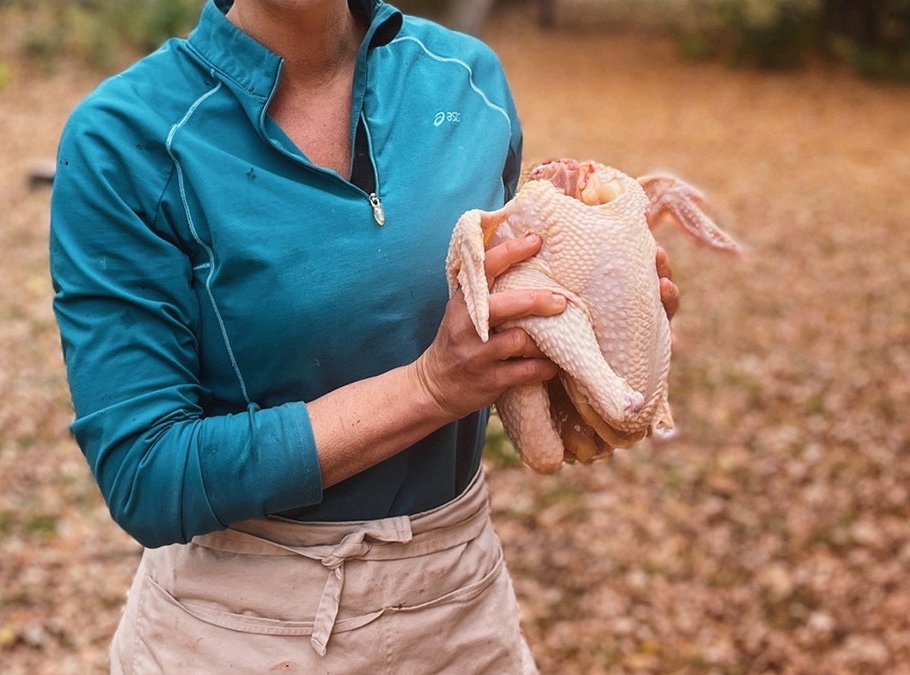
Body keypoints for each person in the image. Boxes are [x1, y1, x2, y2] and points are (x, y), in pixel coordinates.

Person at [49, 0, 679, 671]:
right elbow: (149, 474)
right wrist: (429, 389)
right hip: (236, 629)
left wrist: (602, 306)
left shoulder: (467, 79)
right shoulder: (123, 139)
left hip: (463, 614)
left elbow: (502, 327)